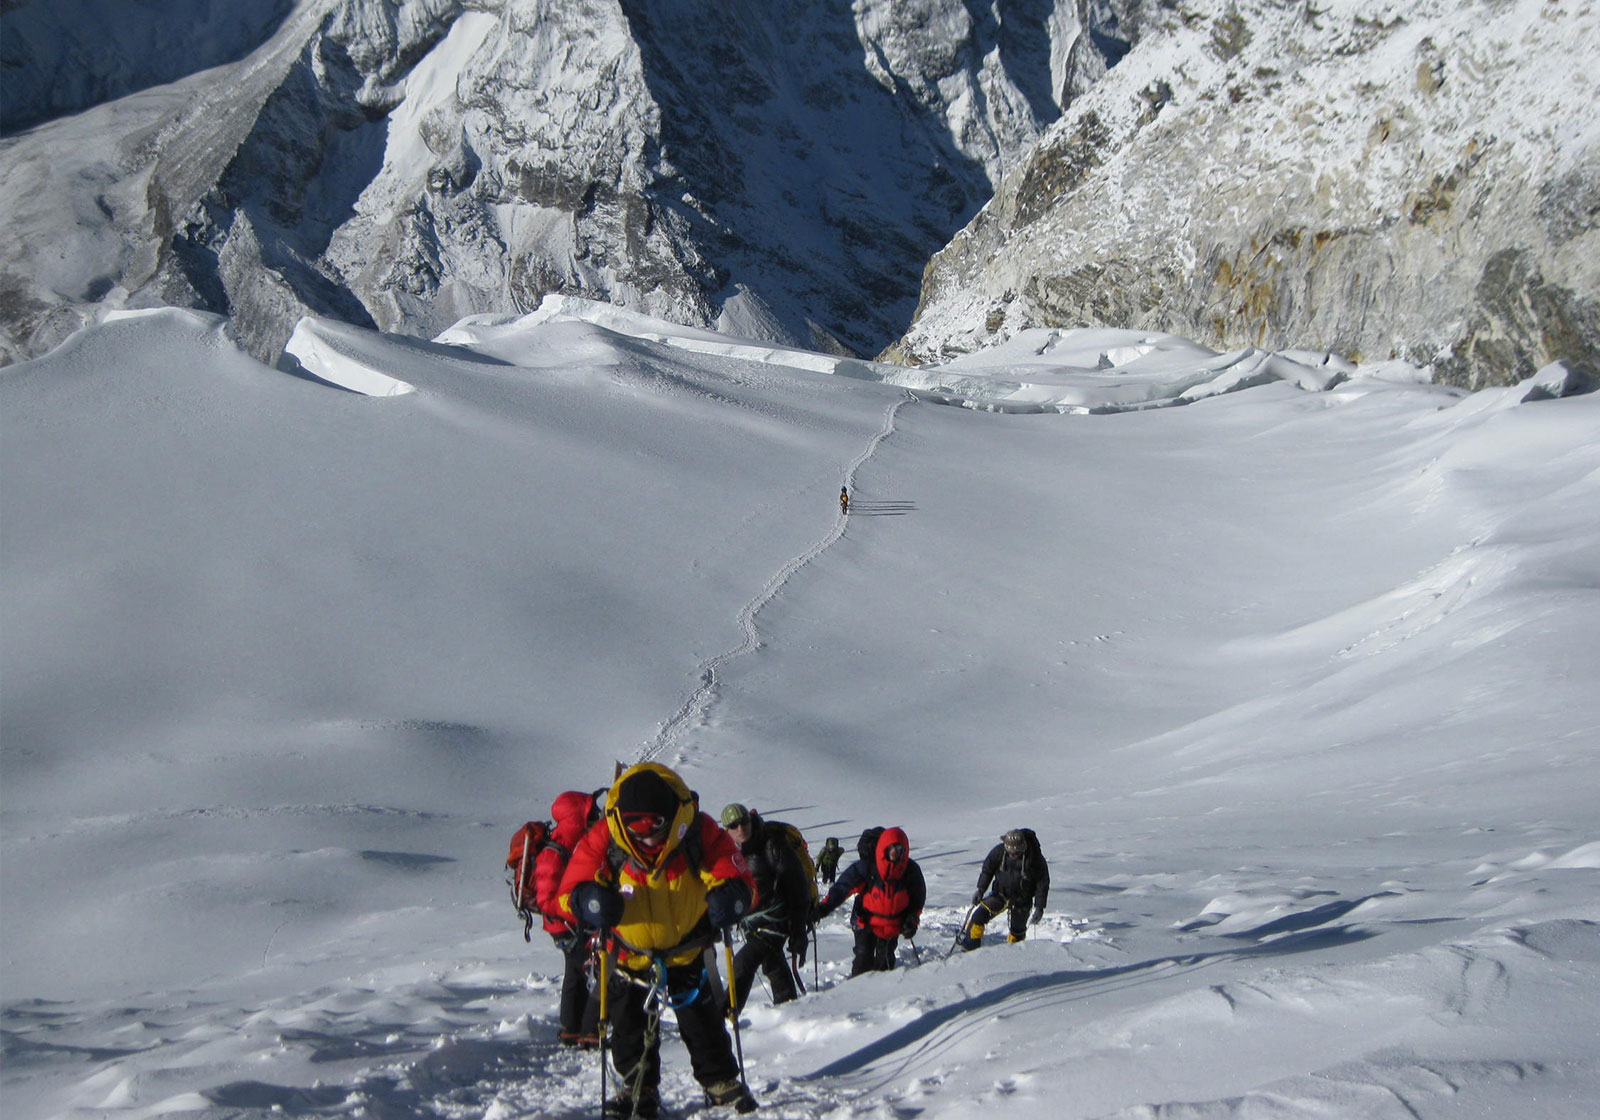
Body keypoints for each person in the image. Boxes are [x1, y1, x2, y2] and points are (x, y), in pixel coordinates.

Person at [559, 762, 757, 1118]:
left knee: (701, 1020)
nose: (647, 836)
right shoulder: (607, 835)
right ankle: (638, 1087)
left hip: (686, 949)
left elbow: (736, 873)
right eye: (637, 828)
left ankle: (720, 1081)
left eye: (656, 826)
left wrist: (733, 895)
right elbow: (568, 890)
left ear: (670, 816)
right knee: (628, 1025)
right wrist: (588, 901)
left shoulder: (697, 829)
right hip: (627, 954)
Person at [720, 803, 810, 1014]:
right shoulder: (729, 853)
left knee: (743, 963)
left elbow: (797, 888)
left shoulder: (772, 846)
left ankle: (724, 1016)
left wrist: (798, 932)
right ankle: (790, 1010)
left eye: (743, 822)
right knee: (773, 964)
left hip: (776, 921)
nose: (740, 828)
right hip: (753, 924)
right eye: (733, 825)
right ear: (727, 830)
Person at [533, 790, 607, 1046]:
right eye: (590, 810)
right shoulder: (562, 848)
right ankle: (590, 1030)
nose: (595, 814)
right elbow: (547, 898)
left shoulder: (565, 844)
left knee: (577, 973)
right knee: (598, 971)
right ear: (578, 813)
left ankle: (572, 1028)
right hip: (571, 924)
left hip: (566, 924)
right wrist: (577, 909)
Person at [814, 826, 925, 976]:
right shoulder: (868, 868)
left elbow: (918, 898)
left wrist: (912, 920)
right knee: (863, 960)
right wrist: (823, 908)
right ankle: (857, 992)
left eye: (899, 849)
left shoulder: (910, 871)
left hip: (892, 926)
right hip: (866, 922)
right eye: (892, 848)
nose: (895, 853)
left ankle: (881, 996)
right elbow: (842, 888)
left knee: (885, 963)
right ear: (884, 848)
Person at [958, 828, 1049, 950]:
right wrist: (980, 889)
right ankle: (969, 948)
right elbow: (987, 870)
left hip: (1022, 900)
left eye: (1016, 853)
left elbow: (1042, 884)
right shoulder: (999, 852)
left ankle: (1013, 956)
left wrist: (1039, 907)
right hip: (1000, 894)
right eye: (1010, 852)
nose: (1013, 855)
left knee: (1017, 932)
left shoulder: (1035, 859)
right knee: (978, 918)